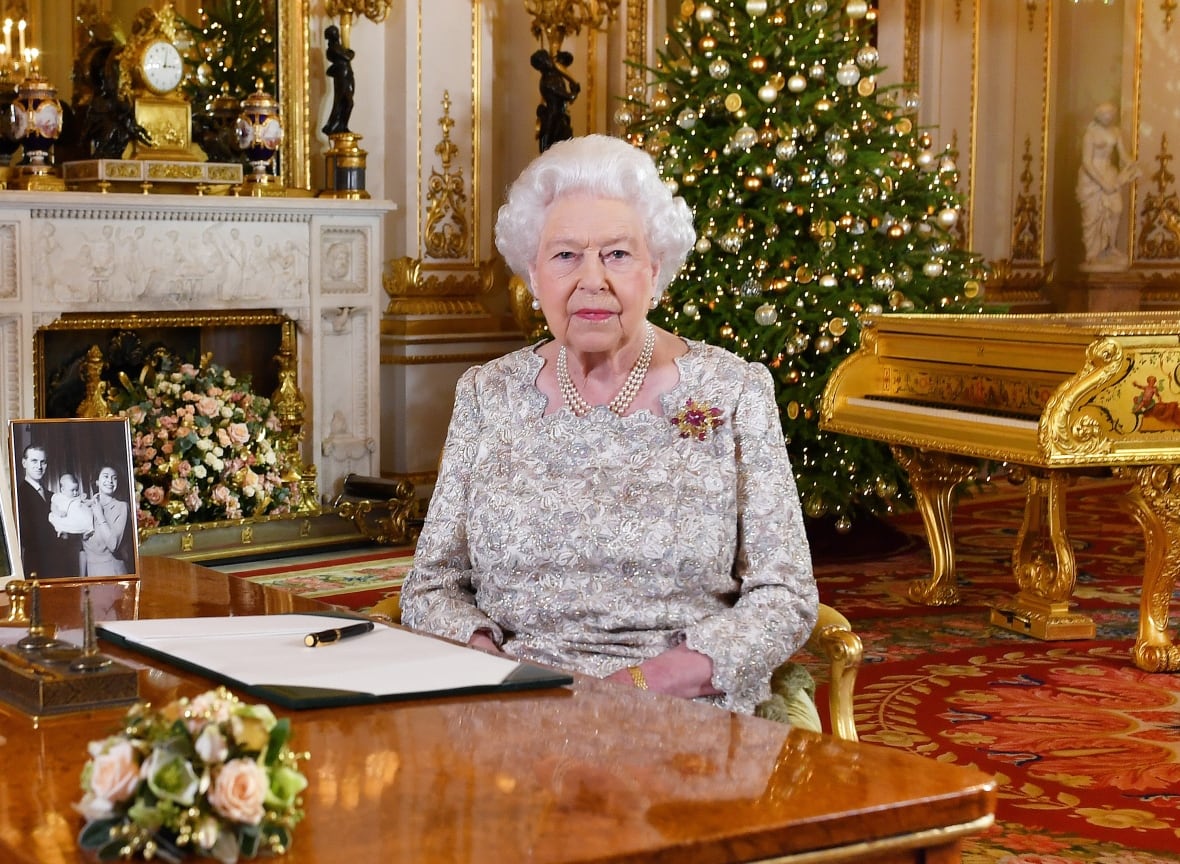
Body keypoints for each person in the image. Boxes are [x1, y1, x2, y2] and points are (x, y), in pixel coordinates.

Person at [400, 134, 818, 717]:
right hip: (517, 705)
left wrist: (643, 685)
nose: (591, 279)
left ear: (655, 267)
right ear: (532, 272)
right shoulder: (485, 394)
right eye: (566, 255)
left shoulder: (734, 391)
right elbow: (430, 587)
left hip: (680, 711)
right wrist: (488, 663)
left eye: (617, 255)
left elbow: (786, 596)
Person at [1076, 102, 1140, 269]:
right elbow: (1086, 161)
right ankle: (1093, 254)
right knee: (1092, 217)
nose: (1108, 116)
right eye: (1105, 113)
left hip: (1109, 173)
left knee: (1116, 209)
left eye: (1111, 113)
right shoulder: (1090, 135)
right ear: (1098, 115)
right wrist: (1103, 183)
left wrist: (1132, 164)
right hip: (1092, 178)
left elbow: (1123, 155)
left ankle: (1110, 247)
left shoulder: (1115, 132)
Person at [15, 442, 77, 579]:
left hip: (61, 567)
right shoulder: (19, 495)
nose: (39, 466)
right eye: (34, 461)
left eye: (42, 462)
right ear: (24, 463)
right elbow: (27, 537)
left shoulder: (52, 496)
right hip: (38, 568)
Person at [81, 465, 131, 577]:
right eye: (106, 476)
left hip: (112, 571)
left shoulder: (121, 507)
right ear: (97, 481)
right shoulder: (85, 506)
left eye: (114, 478)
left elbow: (113, 545)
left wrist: (100, 515)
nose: (110, 481)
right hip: (91, 572)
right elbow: (81, 549)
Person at [531, 48, 580, 153]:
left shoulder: (554, 76)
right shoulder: (549, 81)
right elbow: (568, 96)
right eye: (545, 60)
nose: (549, 61)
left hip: (561, 115)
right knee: (550, 144)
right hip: (554, 114)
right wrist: (575, 91)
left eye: (547, 58)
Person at [322, 24, 355, 136]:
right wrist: (350, 52)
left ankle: (343, 126)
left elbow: (347, 56)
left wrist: (348, 52)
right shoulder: (333, 49)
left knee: (348, 103)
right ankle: (332, 126)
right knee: (343, 102)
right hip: (342, 78)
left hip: (348, 75)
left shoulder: (338, 47)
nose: (337, 35)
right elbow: (348, 56)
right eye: (335, 33)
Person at [49, 473, 95, 537]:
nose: (75, 493)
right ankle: (63, 531)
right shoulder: (58, 497)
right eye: (72, 490)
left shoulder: (76, 497)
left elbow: (84, 503)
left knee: (87, 516)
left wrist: (90, 501)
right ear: (63, 490)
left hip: (75, 517)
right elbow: (53, 506)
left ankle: (87, 531)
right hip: (64, 516)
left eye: (77, 490)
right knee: (55, 520)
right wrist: (58, 512)